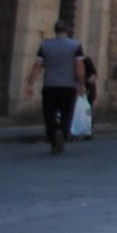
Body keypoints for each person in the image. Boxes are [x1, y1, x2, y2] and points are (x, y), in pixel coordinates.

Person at [22, 20, 87, 155]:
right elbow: (79, 66)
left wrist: (30, 83)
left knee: (49, 115)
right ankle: (62, 132)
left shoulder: (45, 45)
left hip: (50, 85)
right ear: (67, 31)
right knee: (67, 114)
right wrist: (81, 84)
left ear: (55, 31)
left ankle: (54, 138)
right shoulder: (75, 46)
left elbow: (37, 65)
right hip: (68, 86)